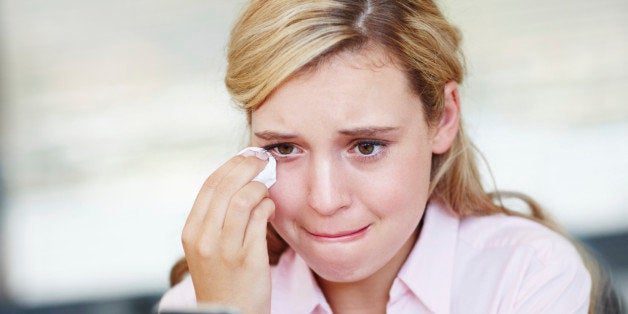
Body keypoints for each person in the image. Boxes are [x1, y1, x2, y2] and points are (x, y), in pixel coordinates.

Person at [159, 0, 598, 313]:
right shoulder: (202, 303)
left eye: (367, 146)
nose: (325, 200)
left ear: (443, 118)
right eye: (285, 149)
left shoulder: (526, 275)